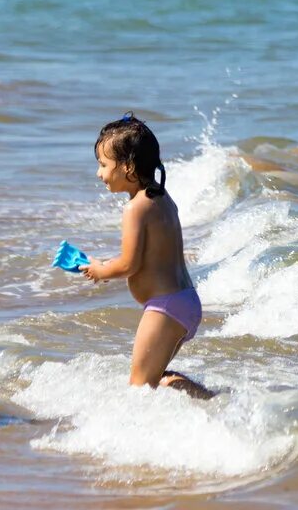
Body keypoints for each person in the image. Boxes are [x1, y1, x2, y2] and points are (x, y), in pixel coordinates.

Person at [81, 114, 212, 399]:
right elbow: (151, 255)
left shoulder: (135, 209)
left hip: (165, 308)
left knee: (139, 389)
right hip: (184, 301)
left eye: (103, 165)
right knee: (153, 380)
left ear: (127, 166)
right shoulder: (162, 199)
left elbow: (130, 264)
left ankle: (214, 402)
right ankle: (211, 401)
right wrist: (104, 264)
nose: (99, 174)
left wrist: (100, 271)